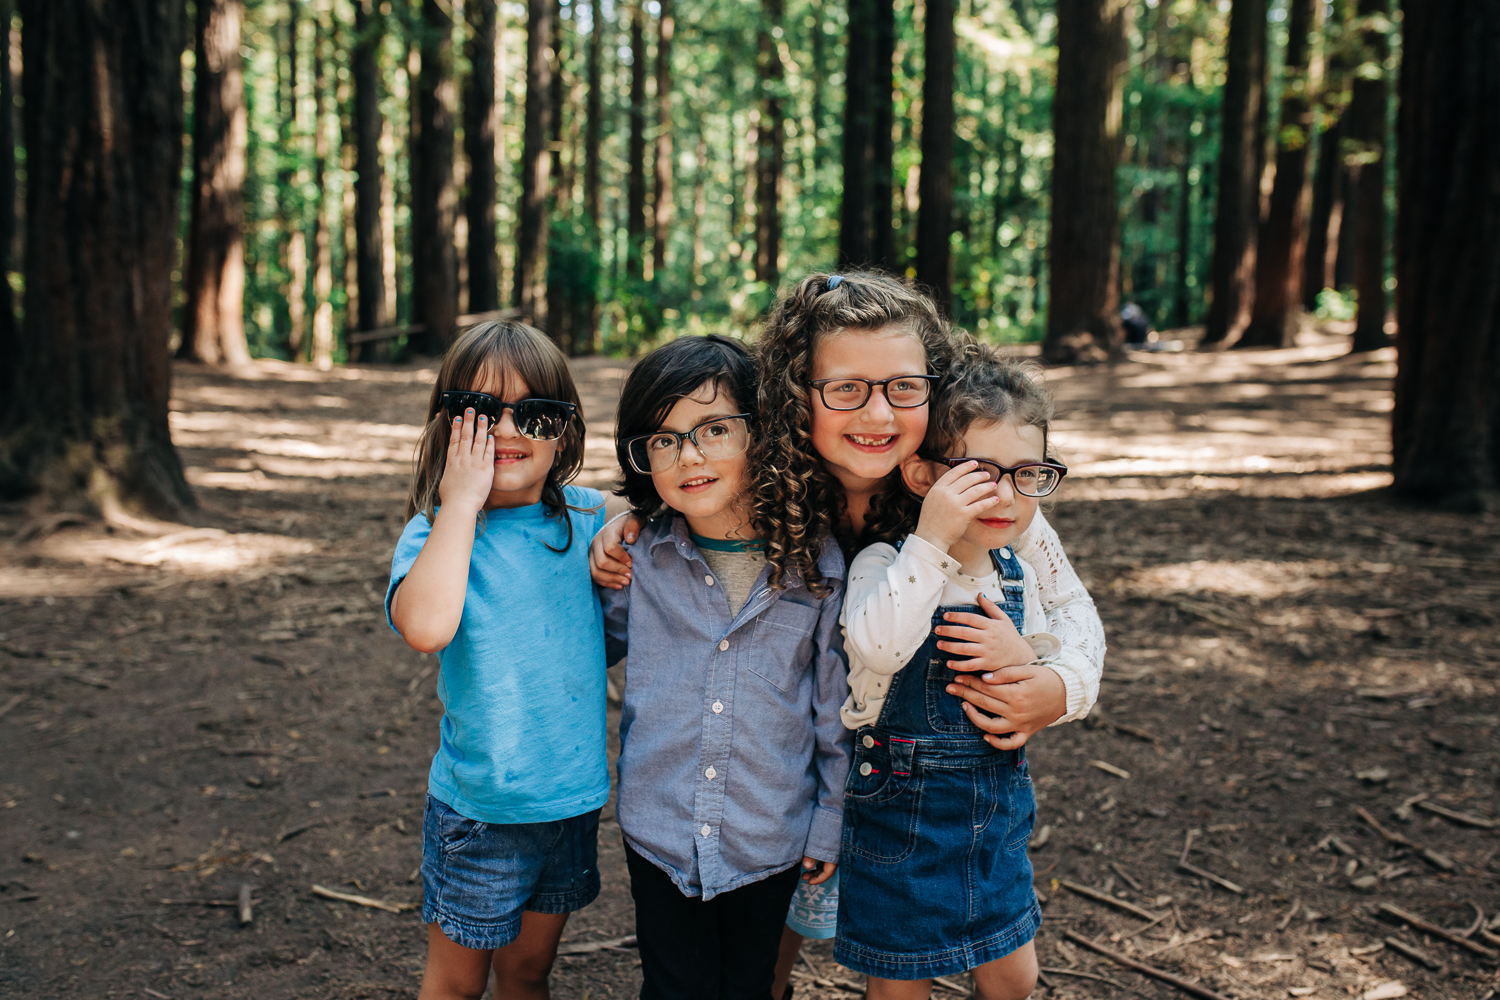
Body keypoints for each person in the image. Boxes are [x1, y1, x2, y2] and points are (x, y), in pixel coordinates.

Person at [591, 273, 1104, 996]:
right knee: (765, 958)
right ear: (798, 394)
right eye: (846, 389)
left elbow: (1074, 609)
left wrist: (1058, 687)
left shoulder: (965, 481)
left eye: (902, 388)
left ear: (934, 385)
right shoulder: (763, 487)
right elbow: (685, 503)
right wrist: (629, 521)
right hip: (778, 781)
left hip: (930, 789)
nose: (877, 413)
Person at [835, 342, 1100, 999]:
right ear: (925, 478)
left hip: (995, 821)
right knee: (900, 983)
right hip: (902, 824)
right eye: (981, 473)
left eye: (1026, 474)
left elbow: (1053, 644)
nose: (1005, 496)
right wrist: (928, 542)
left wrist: (1034, 664)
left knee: (1015, 974)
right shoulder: (886, 563)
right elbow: (879, 649)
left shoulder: (1017, 572)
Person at [599, 335, 851, 1000]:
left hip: (769, 836)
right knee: (673, 986)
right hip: (658, 832)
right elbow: (584, 650)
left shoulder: (817, 566)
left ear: (761, 434)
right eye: (663, 439)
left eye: (714, 429)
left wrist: (831, 816)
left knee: (750, 985)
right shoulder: (638, 561)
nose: (688, 455)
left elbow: (833, 710)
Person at [386, 322, 610, 1000]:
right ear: (444, 424)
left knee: (527, 973)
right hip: (480, 813)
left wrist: (626, 531)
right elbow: (425, 627)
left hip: (570, 805)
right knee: (456, 985)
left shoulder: (590, 517)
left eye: (535, 414)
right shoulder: (437, 533)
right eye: (481, 412)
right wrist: (461, 503)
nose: (508, 431)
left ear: (565, 435)